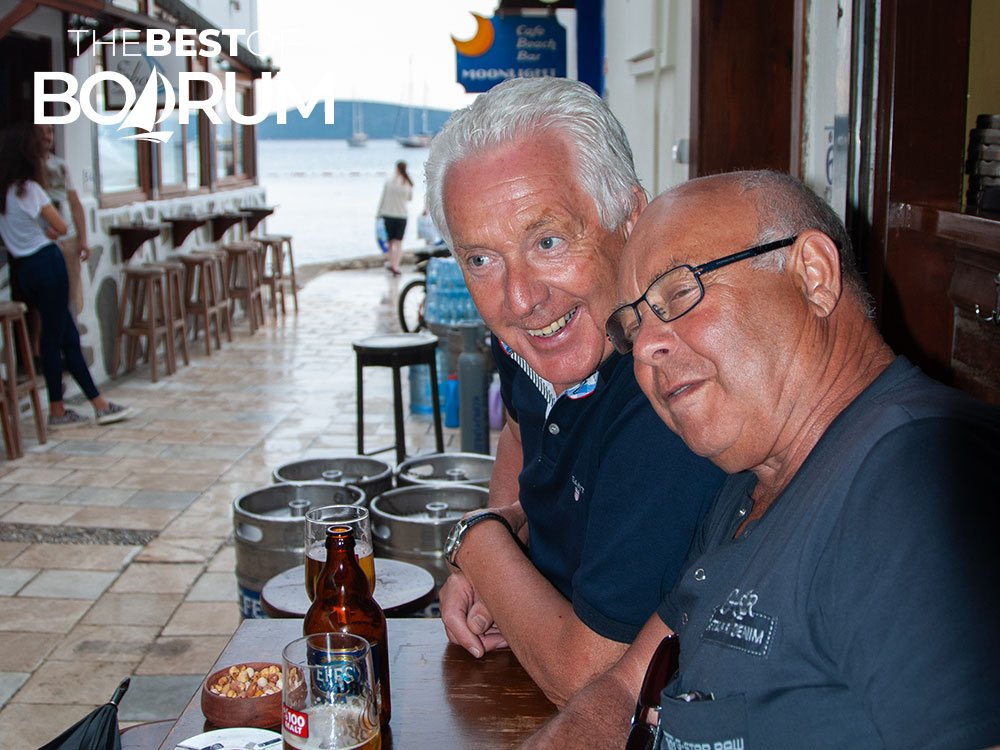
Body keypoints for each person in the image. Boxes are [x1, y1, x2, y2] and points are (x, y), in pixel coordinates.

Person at [527, 170, 1000, 748]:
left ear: (813, 276)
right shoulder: (751, 488)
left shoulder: (916, 477)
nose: (645, 348)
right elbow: (623, 691)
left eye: (678, 293)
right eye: (634, 327)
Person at [424, 77, 725, 705]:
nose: (521, 299)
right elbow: (516, 429)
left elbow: (587, 677)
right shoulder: (538, 338)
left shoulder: (672, 388)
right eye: (481, 259)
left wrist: (477, 543)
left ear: (631, 218)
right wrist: (503, 574)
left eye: (548, 242)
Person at [0, 125, 133, 428]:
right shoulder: (30, 190)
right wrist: (45, 230)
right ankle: (86, 406)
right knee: (62, 336)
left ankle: (72, 407)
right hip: (48, 265)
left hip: (24, 270)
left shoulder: (3, 194)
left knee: (56, 334)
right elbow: (60, 227)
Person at [37, 123, 89, 316]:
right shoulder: (26, 168)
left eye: (49, 131)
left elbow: (75, 203)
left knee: (70, 299)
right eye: (40, 133)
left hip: (68, 239)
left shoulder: (61, 165)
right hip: (42, 241)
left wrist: (83, 239)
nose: (46, 137)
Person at [376, 160, 413, 276]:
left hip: (388, 214)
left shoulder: (389, 181)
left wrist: (378, 213)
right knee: (399, 243)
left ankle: (391, 263)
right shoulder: (407, 183)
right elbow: (409, 199)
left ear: (396, 168)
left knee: (390, 242)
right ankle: (396, 265)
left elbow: (383, 198)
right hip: (402, 215)